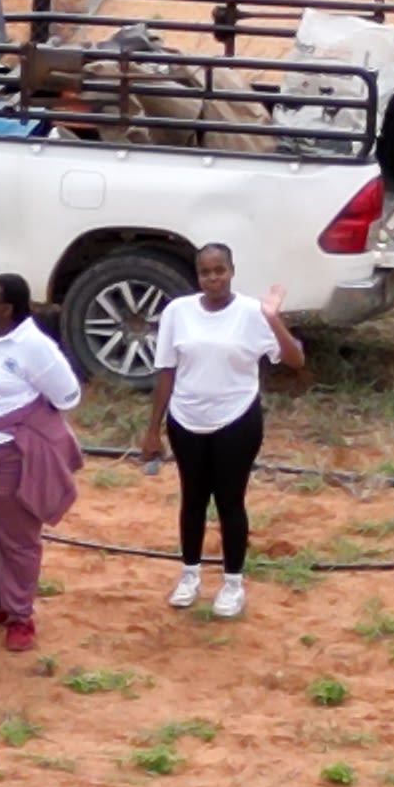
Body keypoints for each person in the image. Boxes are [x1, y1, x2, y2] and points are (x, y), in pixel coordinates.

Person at [141, 244, 303, 620]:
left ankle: (232, 582)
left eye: (220, 271)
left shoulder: (251, 314)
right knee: (192, 500)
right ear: (197, 276)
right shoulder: (178, 312)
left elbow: (295, 359)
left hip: (236, 419)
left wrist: (272, 317)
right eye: (205, 272)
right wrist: (153, 429)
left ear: (232, 271)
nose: (213, 278)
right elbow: (166, 371)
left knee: (230, 501)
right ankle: (190, 574)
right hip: (186, 418)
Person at [0, 272, 84, 648]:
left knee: (17, 538)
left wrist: (20, 417)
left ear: (6, 309)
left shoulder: (34, 346)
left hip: (7, 455)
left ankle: (20, 616)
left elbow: (68, 395)